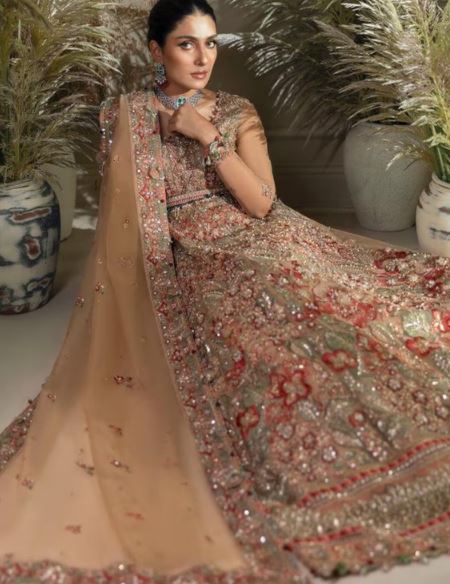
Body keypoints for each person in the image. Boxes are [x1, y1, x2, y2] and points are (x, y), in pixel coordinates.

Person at [1, 0, 450, 582]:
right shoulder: (124, 114)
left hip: (256, 235)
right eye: (186, 43)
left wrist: (207, 134)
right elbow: (122, 220)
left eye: (210, 43)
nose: (202, 57)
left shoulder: (237, 111)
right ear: (156, 50)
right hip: (181, 254)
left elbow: (262, 203)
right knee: (265, 330)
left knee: (334, 302)